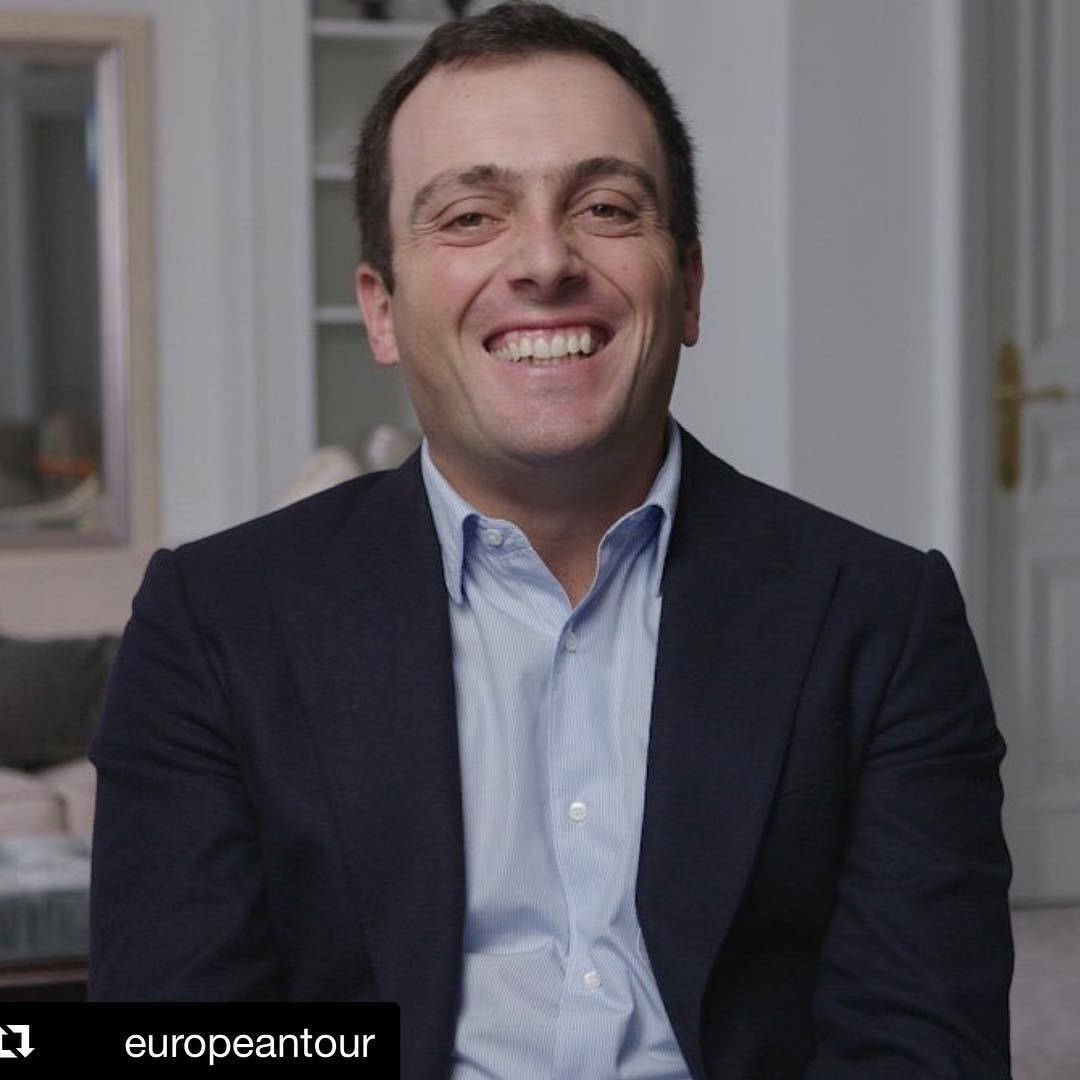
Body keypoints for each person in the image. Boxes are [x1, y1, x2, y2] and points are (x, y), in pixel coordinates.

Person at [89, 4, 1013, 1077]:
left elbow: (919, 1048)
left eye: (606, 207)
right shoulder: (213, 622)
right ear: (382, 310)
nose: (543, 260)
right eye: (470, 216)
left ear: (690, 287)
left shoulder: (881, 616)